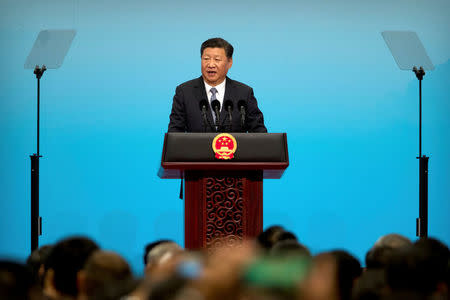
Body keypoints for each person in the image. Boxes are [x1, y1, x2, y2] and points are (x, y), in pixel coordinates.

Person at [168, 37, 267, 133]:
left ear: (229, 62)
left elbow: (259, 132)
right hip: (196, 150)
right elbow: (175, 132)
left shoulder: (244, 93)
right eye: (206, 59)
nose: (211, 64)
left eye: (217, 59)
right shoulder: (184, 92)